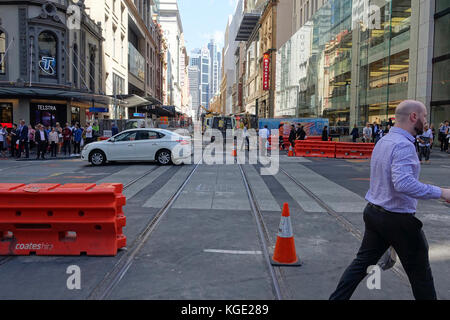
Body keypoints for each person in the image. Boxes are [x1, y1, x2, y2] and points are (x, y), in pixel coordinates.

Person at [329, 100, 450, 301]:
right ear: (414, 117)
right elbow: (403, 184)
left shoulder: (384, 141)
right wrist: (443, 192)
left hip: (374, 213)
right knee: (421, 277)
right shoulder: (403, 145)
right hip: (398, 219)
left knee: (360, 265)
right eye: (425, 116)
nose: (426, 121)